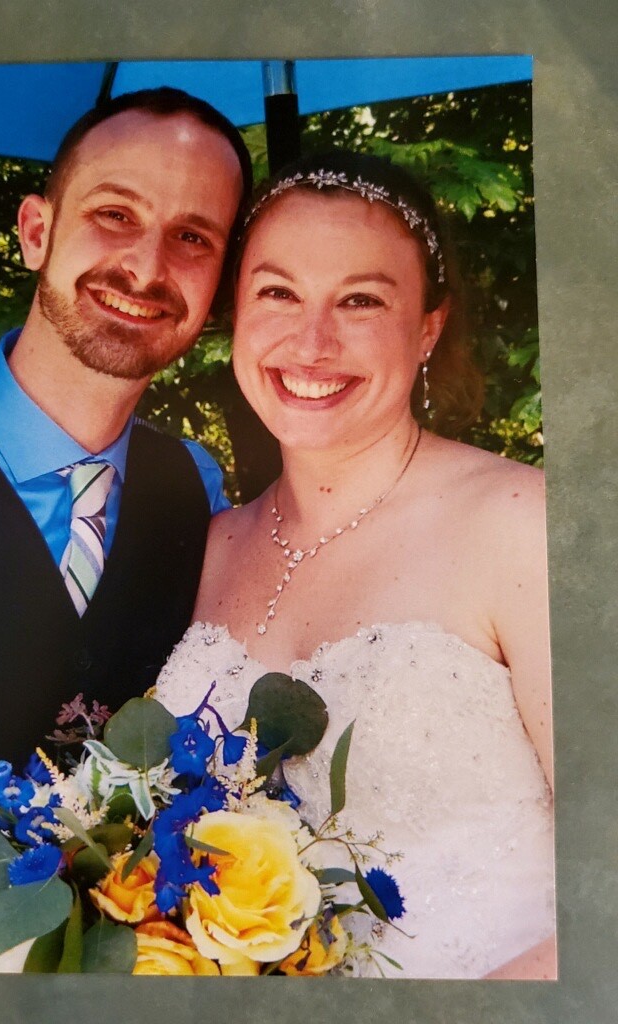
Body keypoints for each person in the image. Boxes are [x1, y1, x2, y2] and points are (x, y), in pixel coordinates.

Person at [155, 150, 556, 979]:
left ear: (428, 329)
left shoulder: (524, 524)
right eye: (277, 292)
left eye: (362, 299)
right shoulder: (206, 544)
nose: (313, 341)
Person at [0, 87, 252, 968]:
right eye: (114, 213)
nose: (147, 266)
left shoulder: (201, 491)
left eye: (194, 237)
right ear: (36, 230)